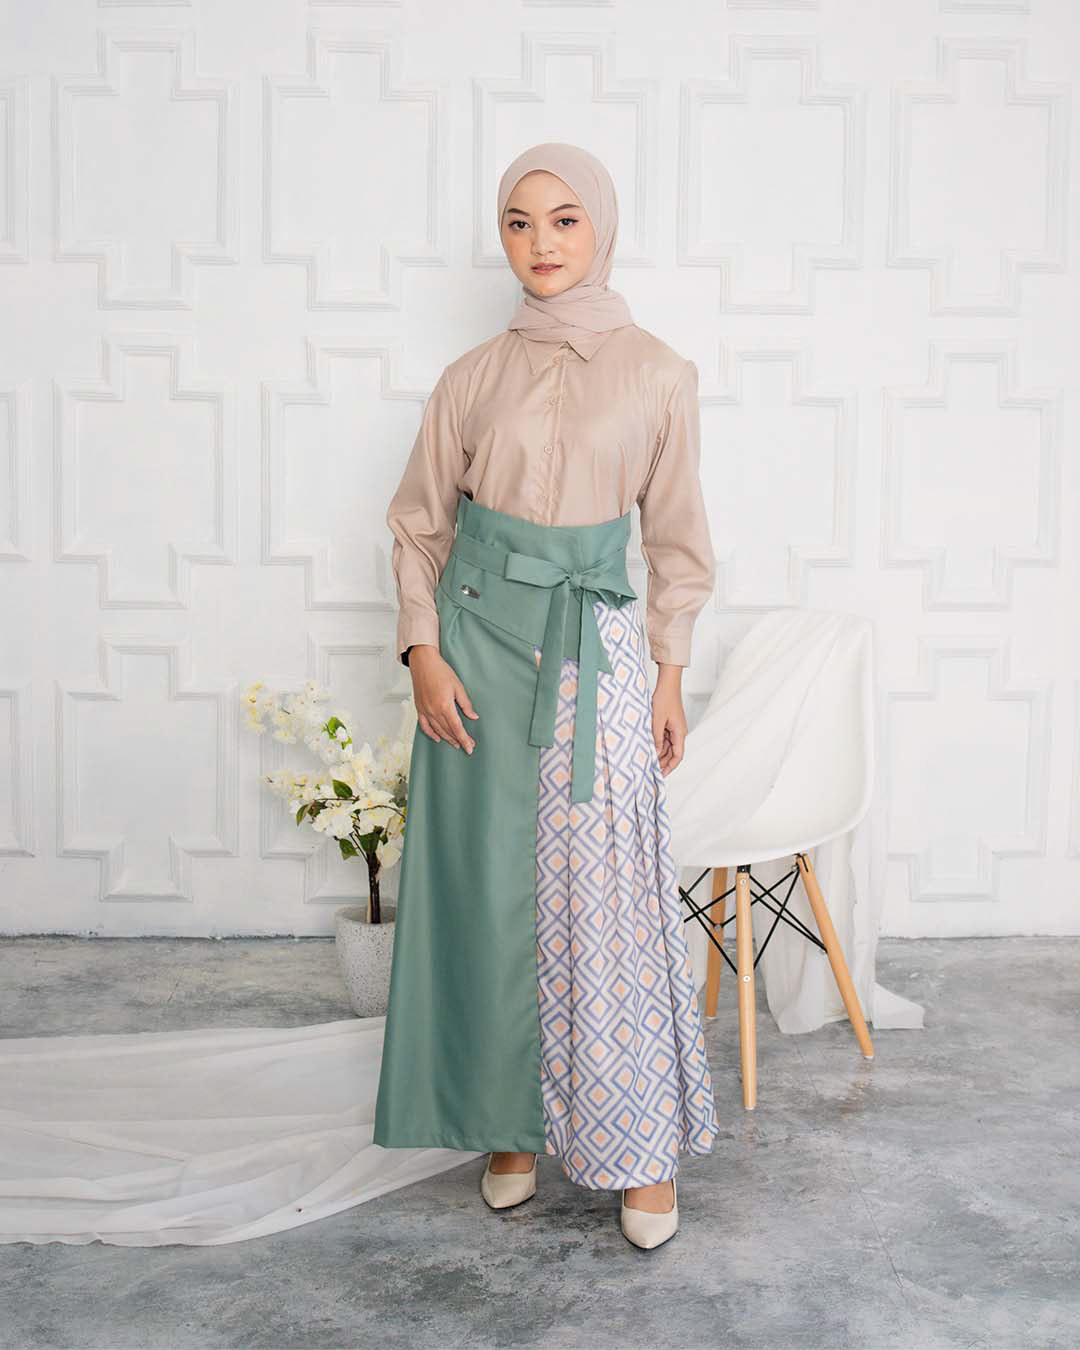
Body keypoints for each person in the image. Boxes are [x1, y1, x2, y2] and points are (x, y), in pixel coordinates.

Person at [373, 141, 718, 1250]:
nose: (541, 243)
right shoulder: (470, 377)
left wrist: (669, 673)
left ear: (600, 228)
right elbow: (418, 524)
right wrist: (422, 653)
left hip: (595, 651)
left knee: (605, 893)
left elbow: (677, 541)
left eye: (565, 219)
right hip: (475, 646)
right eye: (519, 223)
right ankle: (507, 1120)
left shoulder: (660, 373)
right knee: (487, 893)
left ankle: (639, 1146)